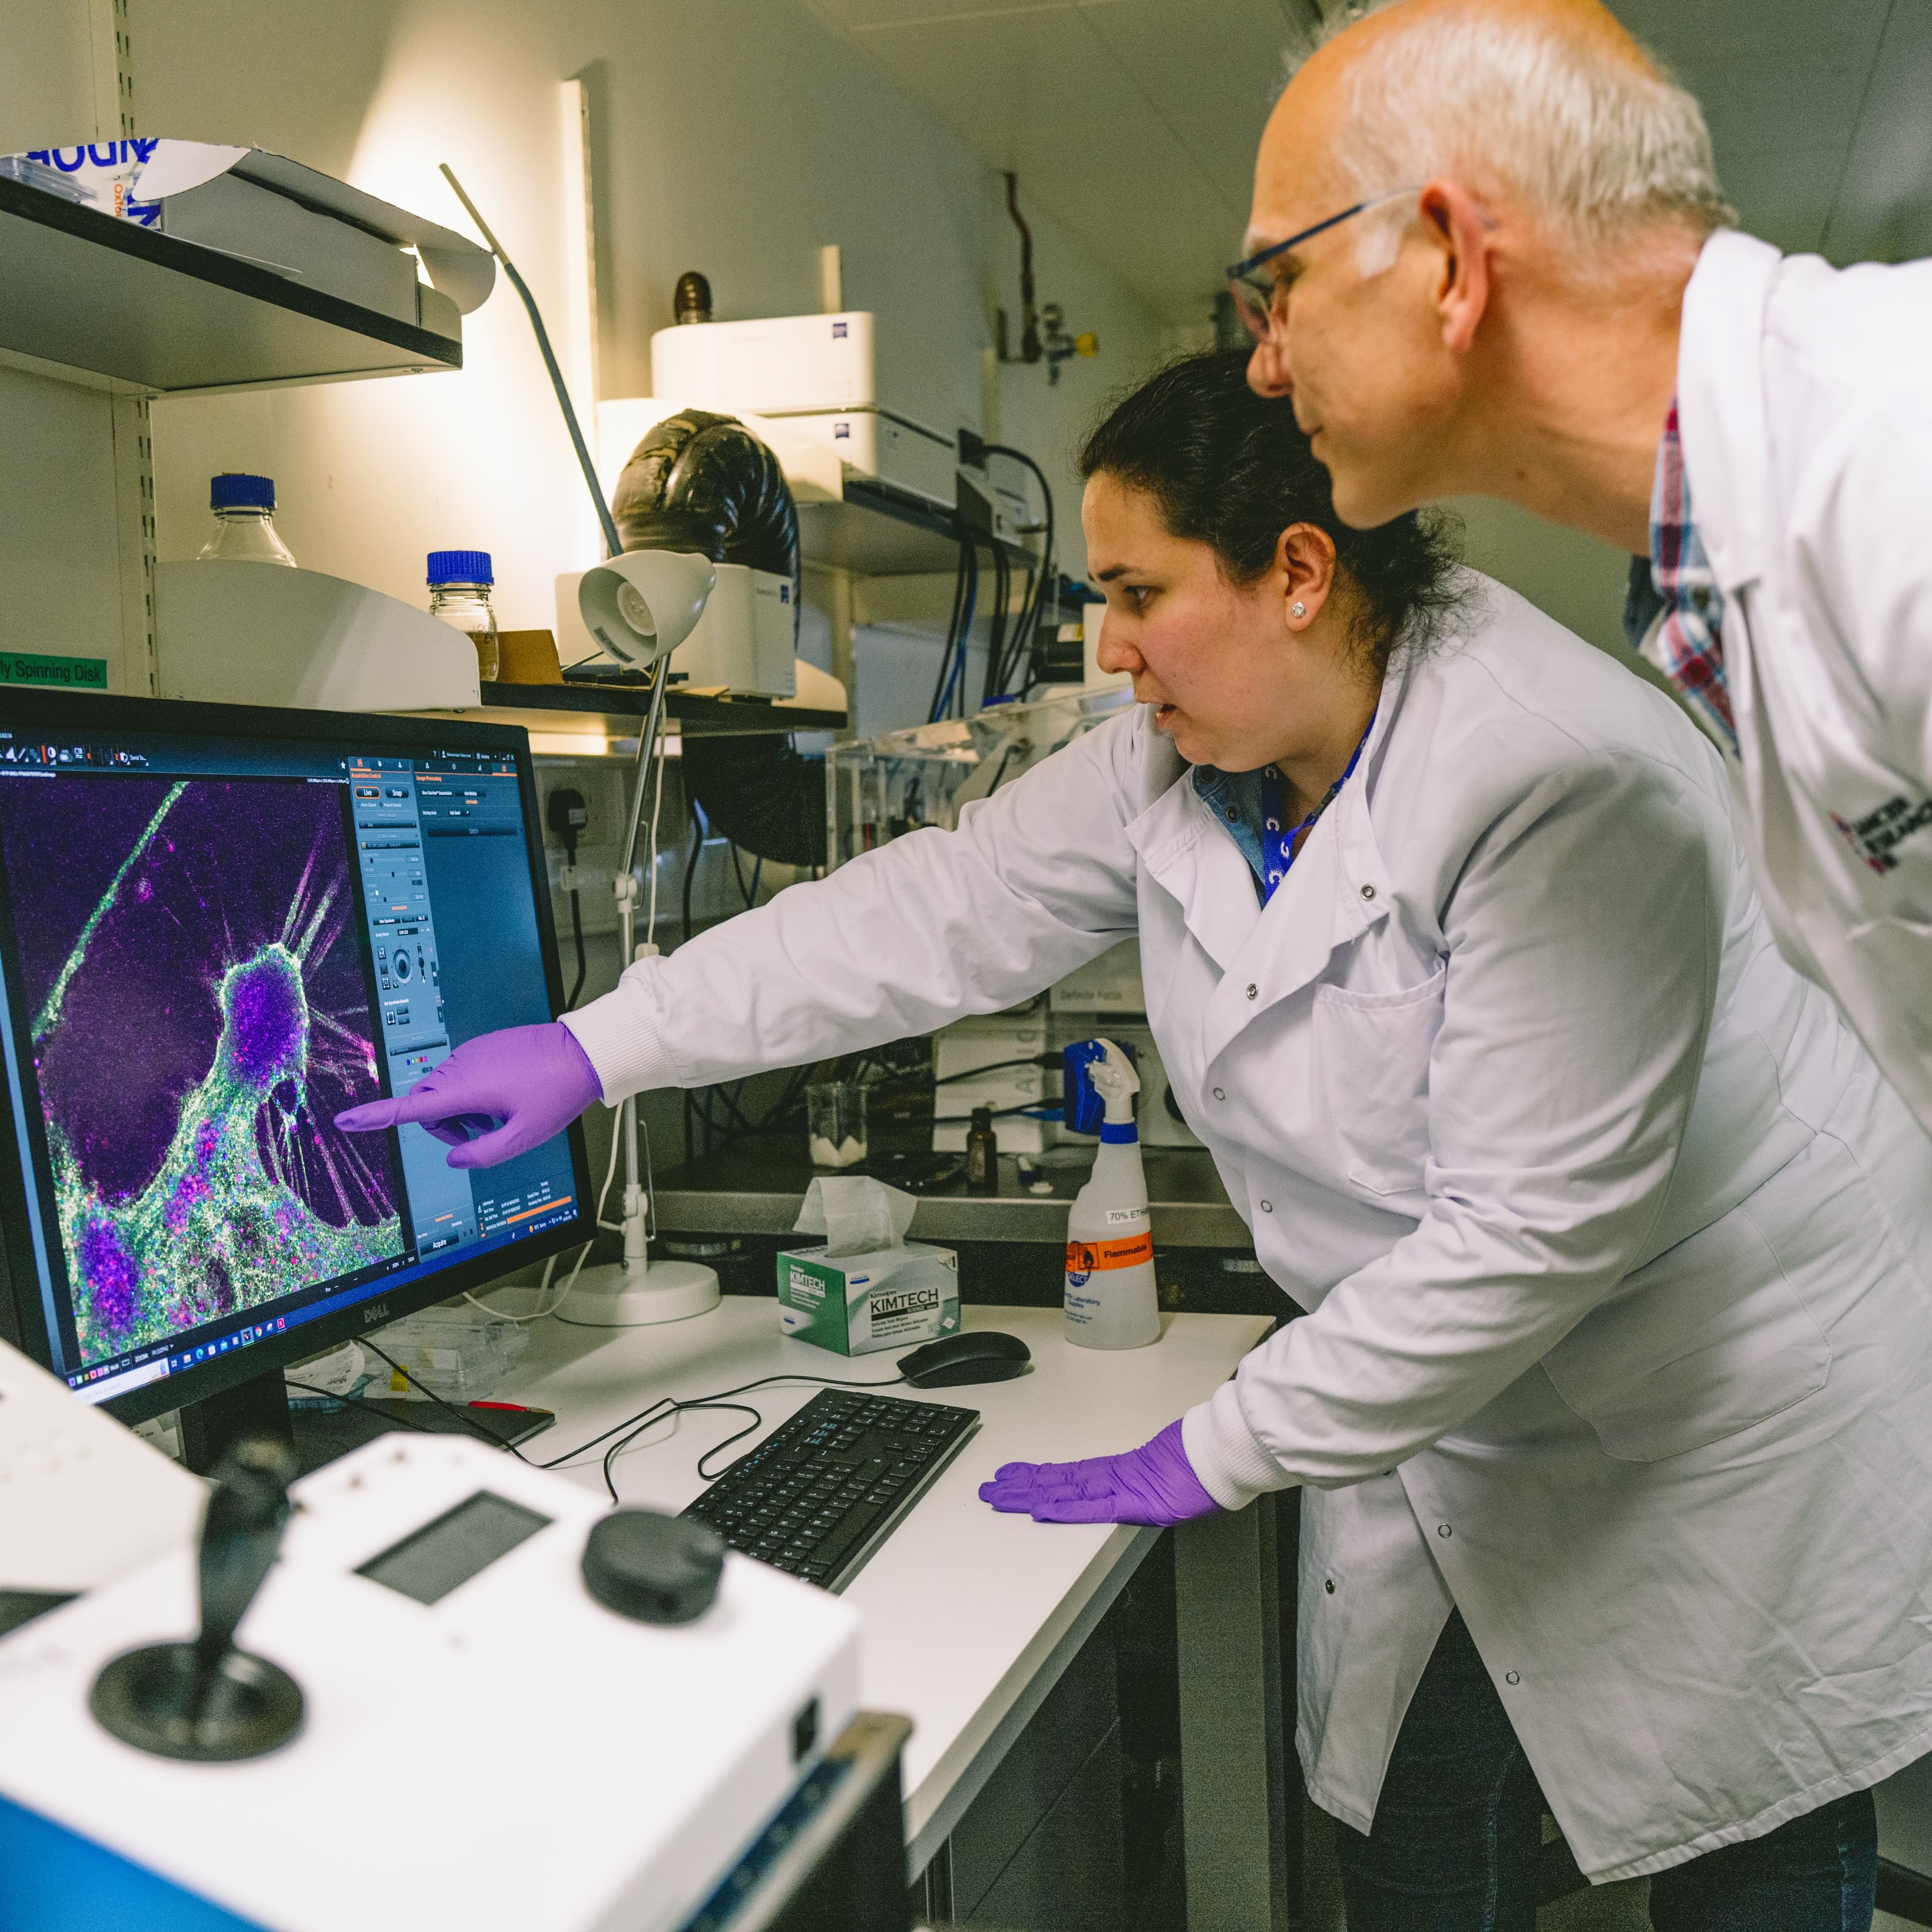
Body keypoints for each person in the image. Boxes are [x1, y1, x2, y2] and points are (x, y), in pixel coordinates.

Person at [340, 352, 1932, 1926]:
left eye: (1138, 592)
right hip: (1459, 1395)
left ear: (1298, 573)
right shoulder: (1179, 765)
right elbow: (933, 912)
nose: (1112, 652)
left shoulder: (1560, 779)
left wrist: (1211, 1450)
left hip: (1724, 1384)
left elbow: (1529, 1238)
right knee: (1424, 1847)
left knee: (1758, 1841)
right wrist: (599, 1044)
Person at [1234, 0, 1932, 1138]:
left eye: (1282, 283)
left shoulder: (1899, 452)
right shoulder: (1716, 568)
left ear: (1452, 262)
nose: (1265, 364)